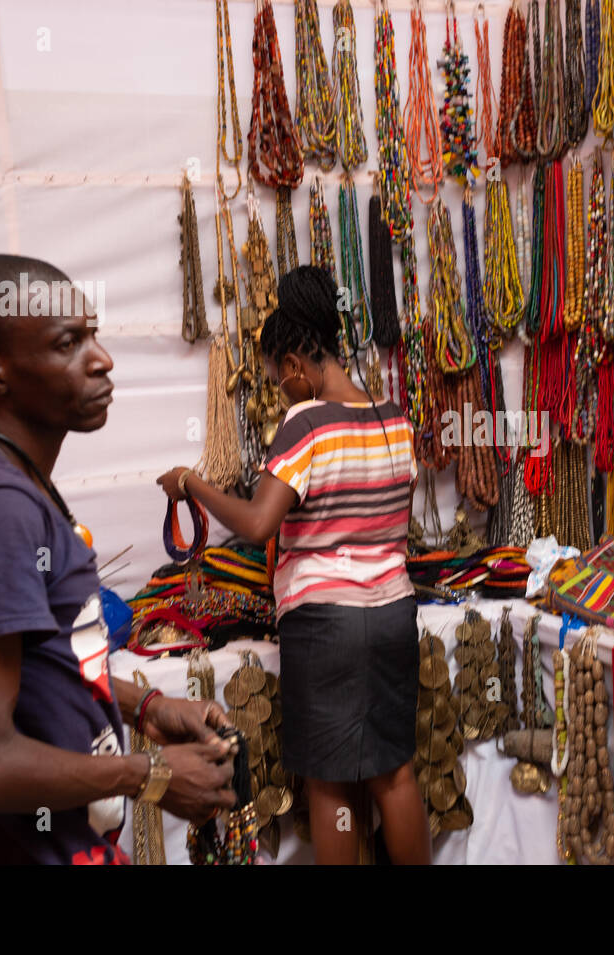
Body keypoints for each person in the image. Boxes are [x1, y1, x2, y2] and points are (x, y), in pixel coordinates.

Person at [0, 254, 237, 865]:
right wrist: (148, 774)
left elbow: (39, 661)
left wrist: (146, 706)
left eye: (93, 333)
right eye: (69, 343)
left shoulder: (2, 478)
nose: (103, 359)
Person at [158, 265, 431, 866]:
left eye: (279, 374)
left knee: (332, 784)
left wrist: (190, 483)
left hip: (326, 626)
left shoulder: (305, 424)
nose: (281, 387)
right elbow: (394, 531)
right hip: (392, 615)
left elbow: (258, 524)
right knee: (394, 773)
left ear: (299, 362)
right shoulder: (396, 421)